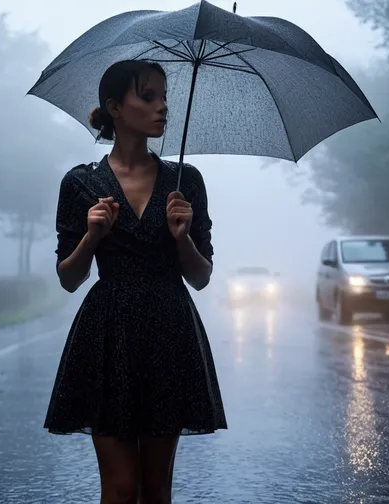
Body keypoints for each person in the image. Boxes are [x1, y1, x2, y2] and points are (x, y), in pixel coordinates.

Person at [44, 60, 227, 504]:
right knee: (121, 488)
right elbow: (69, 278)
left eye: (165, 97)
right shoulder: (81, 183)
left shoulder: (185, 182)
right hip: (107, 334)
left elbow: (200, 277)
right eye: (149, 97)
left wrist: (182, 238)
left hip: (169, 329)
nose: (163, 107)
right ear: (115, 107)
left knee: (156, 487)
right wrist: (91, 236)